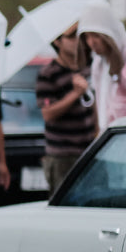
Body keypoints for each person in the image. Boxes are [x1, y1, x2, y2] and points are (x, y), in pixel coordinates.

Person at [35, 21, 98, 192]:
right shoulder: (48, 74)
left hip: (91, 150)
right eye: (71, 36)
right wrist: (75, 94)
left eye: (79, 34)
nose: (77, 40)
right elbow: (47, 114)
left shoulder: (89, 66)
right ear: (57, 41)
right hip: (63, 155)